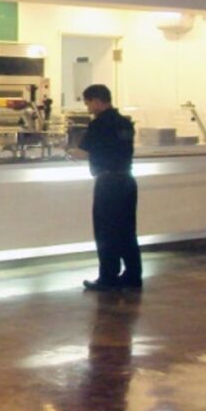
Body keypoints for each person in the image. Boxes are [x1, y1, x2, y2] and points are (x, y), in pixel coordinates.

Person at [67, 84, 142, 291]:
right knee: (126, 231)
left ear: (97, 101)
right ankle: (133, 275)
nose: (88, 108)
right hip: (127, 181)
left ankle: (108, 277)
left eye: (88, 103)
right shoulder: (125, 123)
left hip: (107, 183)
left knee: (106, 232)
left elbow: (83, 152)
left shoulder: (99, 124)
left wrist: (68, 151)